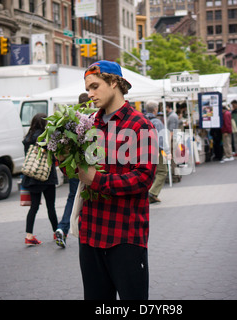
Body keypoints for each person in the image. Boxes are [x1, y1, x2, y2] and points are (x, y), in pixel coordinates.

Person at [76, 60, 157, 300]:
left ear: (113, 82)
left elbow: (144, 177)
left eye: (94, 86)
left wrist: (97, 180)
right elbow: (78, 171)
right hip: (90, 232)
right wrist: (64, 159)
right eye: (87, 88)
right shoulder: (88, 123)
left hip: (125, 236)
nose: (89, 94)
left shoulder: (141, 124)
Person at [55, 93, 91, 248]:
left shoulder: (71, 120)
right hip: (88, 166)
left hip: (73, 166)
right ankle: (82, 228)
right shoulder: (90, 119)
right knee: (87, 196)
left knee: (72, 197)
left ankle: (62, 227)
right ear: (89, 104)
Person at [22, 113, 58, 245]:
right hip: (46, 176)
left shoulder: (28, 137)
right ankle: (56, 233)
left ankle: (29, 236)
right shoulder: (44, 137)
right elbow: (53, 155)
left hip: (31, 177)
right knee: (51, 207)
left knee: (34, 207)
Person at [145, 100, 170, 203]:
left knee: (148, 172)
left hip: (143, 149)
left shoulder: (141, 119)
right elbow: (161, 138)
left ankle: (149, 193)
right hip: (156, 149)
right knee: (162, 171)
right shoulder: (157, 122)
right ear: (155, 109)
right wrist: (166, 151)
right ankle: (152, 192)